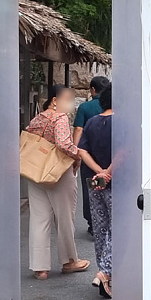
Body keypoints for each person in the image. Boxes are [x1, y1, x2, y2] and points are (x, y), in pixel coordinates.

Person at [24, 84, 90, 280]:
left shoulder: (38, 118)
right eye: (67, 99)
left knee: (39, 219)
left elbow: (28, 134)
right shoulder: (60, 118)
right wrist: (77, 155)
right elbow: (62, 143)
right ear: (55, 100)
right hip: (58, 174)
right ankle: (69, 260)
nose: (70, 104)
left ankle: (40, 268)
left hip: (35, 172)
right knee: (65, 219)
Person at [77, 80, 114, 298]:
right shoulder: (123, 123)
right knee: (117, 227)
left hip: (94, 182)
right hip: (115, 182)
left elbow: (81, 151)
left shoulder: (91, 122)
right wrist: (108, 172)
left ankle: (104, 271)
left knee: (100, 229)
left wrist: (99, 171)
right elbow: (124, 152)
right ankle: (105, 272)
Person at [73, 76, 110, 235]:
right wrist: (106, 171)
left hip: (91, 161)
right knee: (111, 190)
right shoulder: (114, 110)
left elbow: (78, 130)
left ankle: (93, 224)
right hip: (110, 161)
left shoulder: (85, 108)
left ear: (93, 90)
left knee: (92, 192)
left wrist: (76, 155)